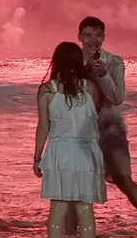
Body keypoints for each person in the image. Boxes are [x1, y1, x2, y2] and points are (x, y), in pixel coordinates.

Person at [66, 16, 137, 238]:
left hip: (110, 128)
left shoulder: (115, 62)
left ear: (104, 36)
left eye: (98, 35)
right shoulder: (71, 62)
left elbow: (118, 98)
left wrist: (103, 75)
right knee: (75, 186)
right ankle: (69, 233)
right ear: (79, 37)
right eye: (88, 35)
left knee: (123, 178)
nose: (93, 40)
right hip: (80, 130)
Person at [34, 42, 106, 238]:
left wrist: (37, 158)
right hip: (87, 152)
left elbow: (43, 127)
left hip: (59, 152)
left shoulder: (47, 90)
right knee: (85, 209)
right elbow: (97, 116)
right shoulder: (91, 87)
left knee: (58, 208)